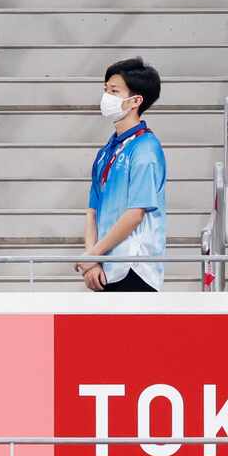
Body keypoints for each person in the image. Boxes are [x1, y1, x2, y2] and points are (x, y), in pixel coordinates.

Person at [79, 58, 166, 293]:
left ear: (136, 100)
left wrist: (94, 255)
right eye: (106, 90)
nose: (106, 97)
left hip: (135, 268)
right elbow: (92, 210)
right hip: (104, 269)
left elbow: (136, 213)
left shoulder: (146, 148)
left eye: (114, 91)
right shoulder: (106, 151)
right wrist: (92, 260)